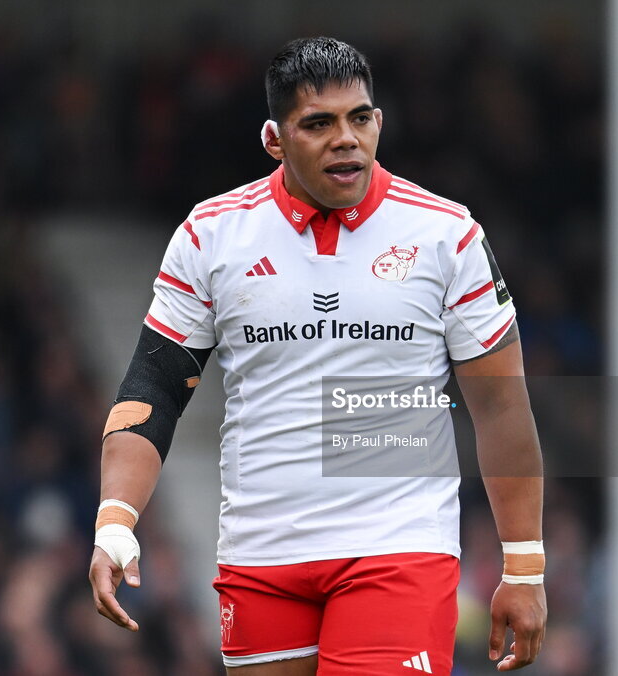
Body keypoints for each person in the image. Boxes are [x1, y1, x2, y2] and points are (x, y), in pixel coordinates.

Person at [88, 36, 547, 674]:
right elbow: (155, 390)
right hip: (260, 555)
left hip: (399, 551)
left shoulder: (448, 235)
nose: (346, 138)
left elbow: (501, 406)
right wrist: (117, 520)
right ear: (275, 139)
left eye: (360, 118)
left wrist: (524, 565)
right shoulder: (211, 235)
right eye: (319, 123)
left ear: (378, 122)